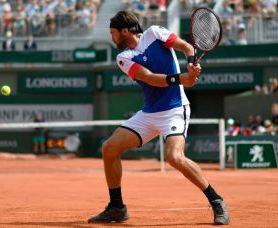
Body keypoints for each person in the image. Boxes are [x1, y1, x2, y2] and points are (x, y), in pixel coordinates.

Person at [87, 11, 230, 225]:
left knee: (174, 157)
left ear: (125, 31)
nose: (111, 38)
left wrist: (191, 63)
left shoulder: (155, 33)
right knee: (110, 148)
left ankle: (216, 200)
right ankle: (117, 207)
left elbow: (187, 47)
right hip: (149, 113)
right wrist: (182, 78)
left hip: (175, 108)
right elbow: (149, 78)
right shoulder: (123, 57)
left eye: (113, 33)